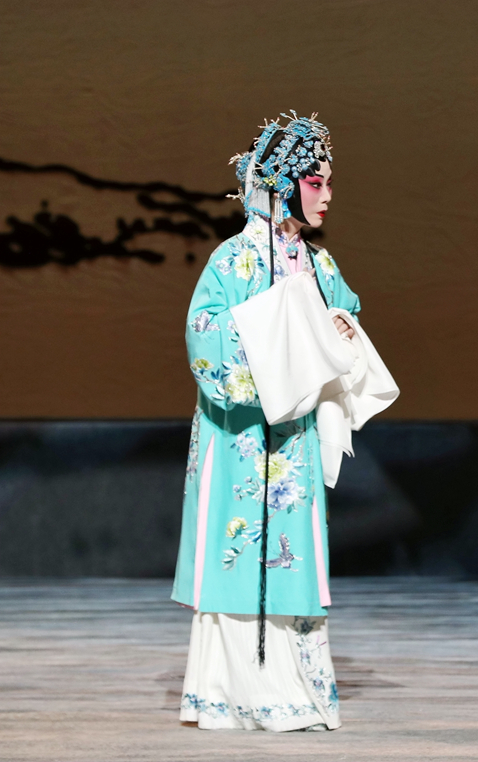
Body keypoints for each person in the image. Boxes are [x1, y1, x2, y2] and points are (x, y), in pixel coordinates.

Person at [172, 112, 397, 731]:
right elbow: (205, 338)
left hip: (293, 439)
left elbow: (344, 319)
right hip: (240, 437)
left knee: (291, 556)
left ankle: (293, 691)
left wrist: (338, 329)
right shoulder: (233, 261)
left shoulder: (318, 264)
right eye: (316, 182)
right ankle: (236, 694)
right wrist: (275, 340)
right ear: (281, 184)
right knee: (239, 551)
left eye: (327, 182)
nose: (327, 195)